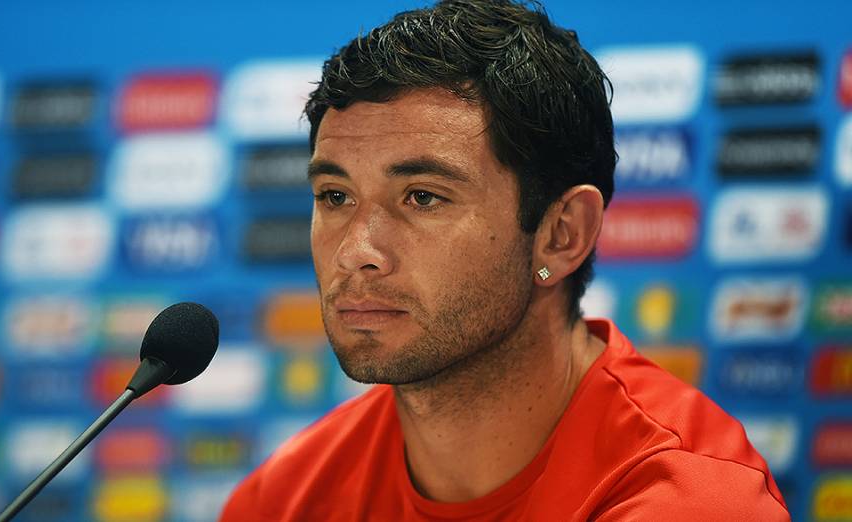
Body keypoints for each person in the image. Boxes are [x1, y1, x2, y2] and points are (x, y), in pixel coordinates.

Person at [220, 1, 789, 520]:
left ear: (562, 235)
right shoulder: (283, 499)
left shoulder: (690, 498)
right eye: (335, 197)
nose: (356, 252)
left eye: (423, 196)